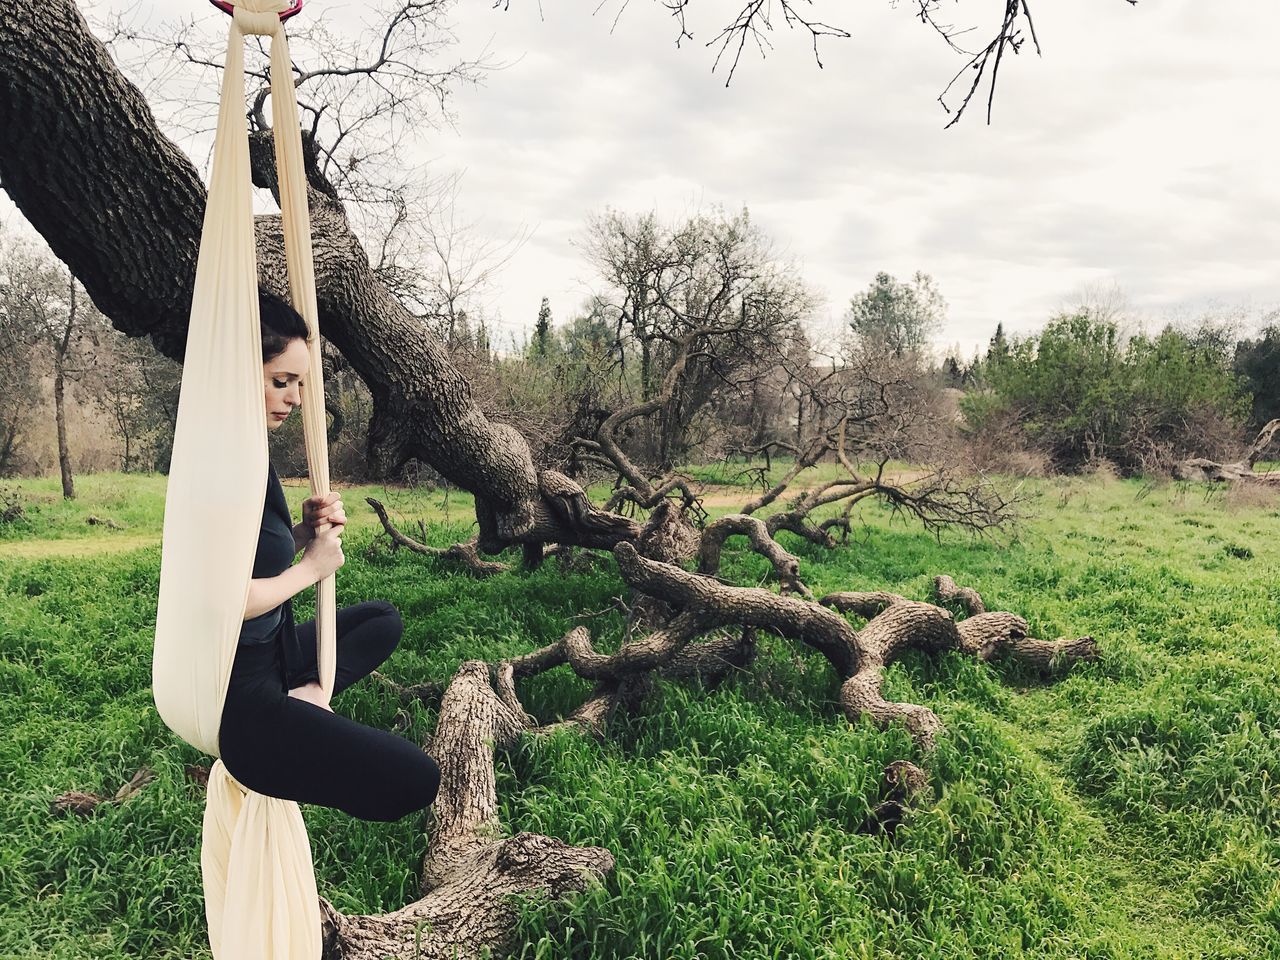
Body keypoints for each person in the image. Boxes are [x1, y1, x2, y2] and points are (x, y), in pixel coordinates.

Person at [217, 290, 441, 822]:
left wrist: (301, 532)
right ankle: (293, 730)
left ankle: (304, 697)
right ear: (238, 371)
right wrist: (311, 567)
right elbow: (231, 597)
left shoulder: (250, 450)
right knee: (416, 779)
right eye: (280, 381)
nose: (294, 397)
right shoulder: (224, 462)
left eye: (299, 383)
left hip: (274, 656)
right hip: (245, 703)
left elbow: (248, 559)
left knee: (382, 620)